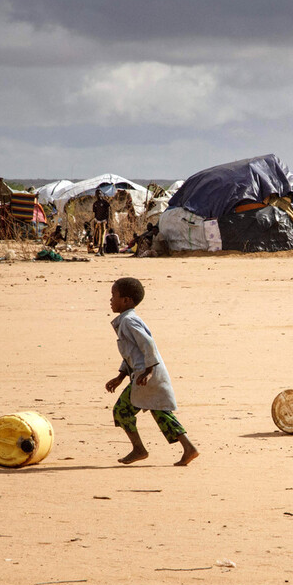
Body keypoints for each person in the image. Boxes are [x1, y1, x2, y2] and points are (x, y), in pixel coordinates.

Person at [105, 277, 199, 466]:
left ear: (126, 300)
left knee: (122, 411)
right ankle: (188, 447)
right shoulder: (126, 320)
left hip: (145, 376)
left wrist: (148, 371)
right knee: (160, 412)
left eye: (114, 295)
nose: (110, 299)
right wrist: (120, 376)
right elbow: (131, 353)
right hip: (145, 374)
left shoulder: (129, 321)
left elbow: (148, 345)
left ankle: (139, 449)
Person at [91, 189, 110, 255]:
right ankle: (100, 250)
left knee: (102, 235)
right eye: (97, 194)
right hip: (97, 220)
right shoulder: (95, 204)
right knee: (97, 235)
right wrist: (95, 221)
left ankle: (100, 249)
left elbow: (108, 213)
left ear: (101, 194)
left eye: (99, 193)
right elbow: (95, 213)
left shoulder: (105, 203)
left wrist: (108, 221)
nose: (98, 195)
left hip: (103, 220)